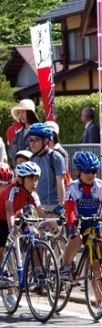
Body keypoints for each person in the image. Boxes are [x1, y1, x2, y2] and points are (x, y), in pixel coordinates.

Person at [0, 161, 42, 316]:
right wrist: (11, 228)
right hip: (2, 217)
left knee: (36, 235)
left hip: (17, 215)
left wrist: (53, 227)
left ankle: (38, 270)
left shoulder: (32, 193)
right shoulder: (12, 189)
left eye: (36, 179)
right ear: (20, 179)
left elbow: (40, 211)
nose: (34, 183)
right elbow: (9, 210)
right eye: (31, 179)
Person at [60, 151, 102, 310]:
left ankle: (99, 300)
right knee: (76, 239)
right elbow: (70, 211)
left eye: (94, 171)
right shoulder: (72, 188)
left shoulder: (99, 186)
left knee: (96, 264)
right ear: (78, 171)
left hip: (94, 223)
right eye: (87, 171)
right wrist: (73, 226)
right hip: (77, 222)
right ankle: (66, 265)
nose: (91, 174)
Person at [27, 122, 66, 214]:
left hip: (53, 206)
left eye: (36, 139)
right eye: (30, 139)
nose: (32, 143)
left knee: (54, 229)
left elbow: (60, 183)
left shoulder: (55, 157)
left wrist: (61, 204)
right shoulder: (32, 158)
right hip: (36, 206)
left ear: (46, 141)